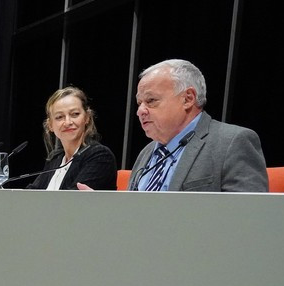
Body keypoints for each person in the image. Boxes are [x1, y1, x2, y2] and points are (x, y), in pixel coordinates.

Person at [129, 59, 267, 192]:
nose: (140, 111)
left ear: (188, 99)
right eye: (139, 103)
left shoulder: (232, 143)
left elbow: (248, 207)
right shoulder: (146, 152)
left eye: (151, 100)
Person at [26, 86, 117, 191]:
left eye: (75, 114)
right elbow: (32, 192)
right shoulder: (55, 159)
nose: (68, 122)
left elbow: (71, 199)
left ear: (87, 117)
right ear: (50, 125)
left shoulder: (100, 156)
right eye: (59, 117)